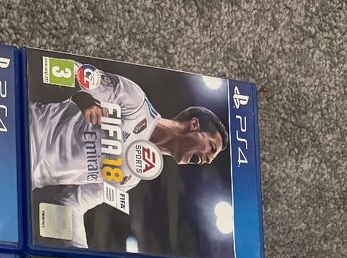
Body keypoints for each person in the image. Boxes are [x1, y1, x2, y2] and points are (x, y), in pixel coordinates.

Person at [30, 70, 227, 248]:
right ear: (194, 125)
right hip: (27, 125)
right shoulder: (135, 102)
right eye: (212, 147)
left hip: (26, 177)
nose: (209, 160)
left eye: (212, 157)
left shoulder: (131, 178)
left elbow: (71, 204)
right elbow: (68, 70)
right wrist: (83, 98)